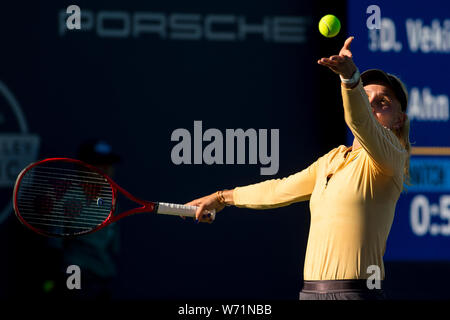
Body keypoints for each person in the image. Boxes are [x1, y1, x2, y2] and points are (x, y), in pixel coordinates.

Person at [185, 37, 411, 300]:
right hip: (310, 293)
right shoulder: (333, 159)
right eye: (366, 96)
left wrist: (351, 81)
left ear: (399, 120)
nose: (372, 105)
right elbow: (278, 190)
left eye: (383, 102)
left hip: (358, 294)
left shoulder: (393, 157)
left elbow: (360, 120)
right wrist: (222, 197)